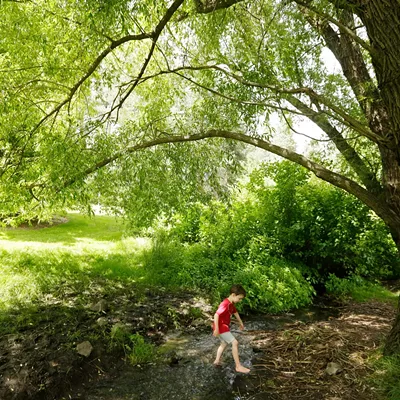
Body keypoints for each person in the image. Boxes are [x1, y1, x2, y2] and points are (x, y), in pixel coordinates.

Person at [212, 284, 250, 373]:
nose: (240, 300)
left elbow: (235, 312)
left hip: (222, 326)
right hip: (221, 326)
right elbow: (216, 315)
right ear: (233, 295)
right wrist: (216, 329)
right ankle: (238, 366)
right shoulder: (225, 304)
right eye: (239, 298)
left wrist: (241, 322)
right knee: (235, 342)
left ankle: (217, 361)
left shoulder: (231, 303)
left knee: (224, 343)